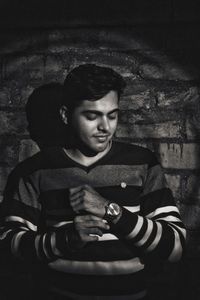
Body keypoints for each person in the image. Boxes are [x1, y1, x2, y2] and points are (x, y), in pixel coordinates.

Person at [0, 64, 186, 300]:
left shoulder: (143, 163)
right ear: (66, 115)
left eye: (113, 115)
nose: (105, 128)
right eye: (92, 116)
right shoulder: (33, 171)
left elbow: (175, 248)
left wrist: (113, 212)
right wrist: (65, 239)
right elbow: (8, 249)